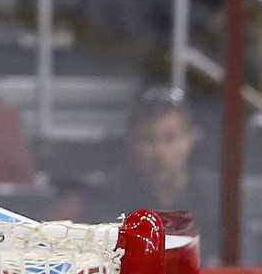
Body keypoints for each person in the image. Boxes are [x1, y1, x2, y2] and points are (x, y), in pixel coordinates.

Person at [84, 89, 223, 242]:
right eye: (148, 139)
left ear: (190, 140)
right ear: (131, 142)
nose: (159, 152)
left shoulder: (218, 197)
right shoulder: (105, 196)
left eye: (170, 138)